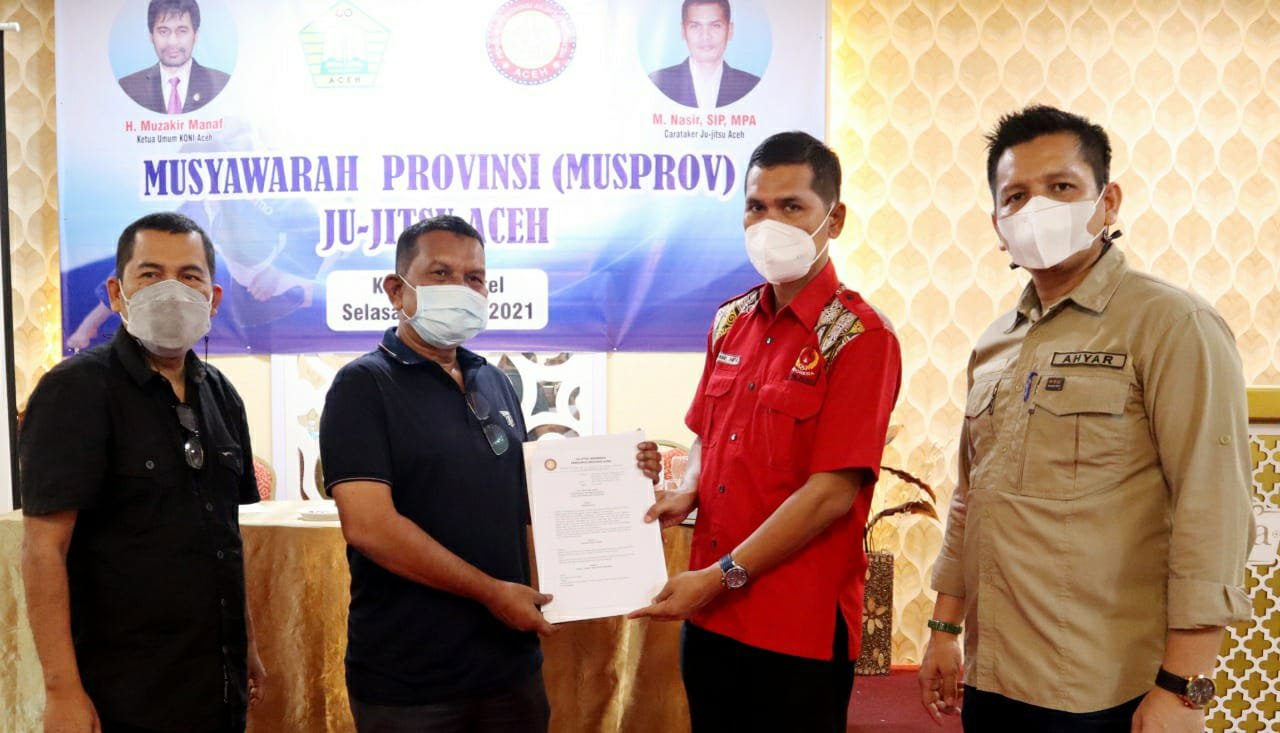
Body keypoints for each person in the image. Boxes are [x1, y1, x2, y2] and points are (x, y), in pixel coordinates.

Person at [918, 105, 1253, 732]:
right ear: (998, 226)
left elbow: (1213, 507)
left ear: (1108, 201)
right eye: (1016, 196)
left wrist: (1183, 690)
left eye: (1062, 187)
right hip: (994, 677)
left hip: (1107, 688)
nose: (1037, 209)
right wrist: (944, 626)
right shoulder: (995, 343)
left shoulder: (1172, 324)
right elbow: (971, 497)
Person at [319, 215, 661, 732]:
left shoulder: (492, 380)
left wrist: (626, 479)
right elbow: (370, 527)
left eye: (474, 277)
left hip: (509, 669)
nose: (461, 288)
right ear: (396, 289)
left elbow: (528, 502)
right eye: (440, 273)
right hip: (412, 679)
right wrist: (491, 593)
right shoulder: (363, 386)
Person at [628, 131, 903, 732]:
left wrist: (721, 576)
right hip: (710, 616)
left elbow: (831, 493)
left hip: (794, 625)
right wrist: (689, 489)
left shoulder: (860, 337)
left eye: (791, 206)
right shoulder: (730, 320)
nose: (769, 222)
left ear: (834, 220)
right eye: (756, 207)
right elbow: (707, 434)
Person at [20, 211, 267, 733]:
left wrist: (245, 643)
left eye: (189, 276)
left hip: (216, 687)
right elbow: (44, 550)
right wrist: (62, 691)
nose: (170, 290)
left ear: (213, 298)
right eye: (151, 274)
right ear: (117, 292)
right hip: (122, 692)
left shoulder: (222, 395)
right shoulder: (75, 391)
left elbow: (225, 535)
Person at [118, 0, 229, 115]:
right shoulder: (129, 88)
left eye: (182, 31)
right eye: (163, 31)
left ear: (196, 35)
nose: (172, 42)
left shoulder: (222, 84)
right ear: (151, 36)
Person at [649, 0, 760, 109]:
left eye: (715, 25)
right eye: (695, 26)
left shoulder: (751, 86)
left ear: (730, 31)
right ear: (683, 31)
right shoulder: (658, 83)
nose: (705, 36)